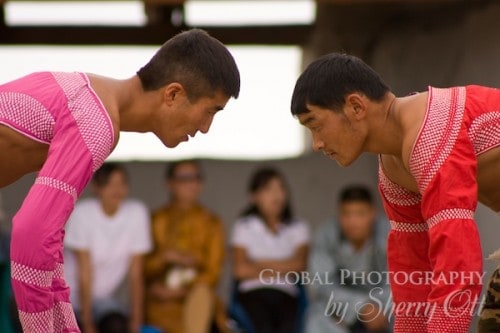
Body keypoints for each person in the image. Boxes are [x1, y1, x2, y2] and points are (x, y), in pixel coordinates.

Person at [0, 28, 240, 332]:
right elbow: (31, 234)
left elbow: (48, 243)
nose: (206, 127)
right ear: (173, 94)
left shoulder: (90, 101)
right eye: (210, 111)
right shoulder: (96, 120)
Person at [290, 53, 500, 332]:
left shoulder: (429, 130)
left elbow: (457, 269)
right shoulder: (392, 170)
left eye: (316, 125)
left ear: (355, 106)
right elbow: (413, 281)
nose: (316, 143)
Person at [64, 163, 152, 333]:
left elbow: (136, 274)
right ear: (96, 187)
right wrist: (88, 322)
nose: (116, 190)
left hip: (103, 300)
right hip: (67, 297)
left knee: (117, 325)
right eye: (109, 184)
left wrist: (136, 320)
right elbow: (85, 272)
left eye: (121, 183)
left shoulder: (136, 213)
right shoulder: (83, 213)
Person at [144, 160, 225, 333]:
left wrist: (182, 291)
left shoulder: (212, 223)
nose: (190, 184)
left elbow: (213, 273)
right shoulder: (156, 220)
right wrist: (164, 257)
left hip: (197, 300)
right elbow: (142, 267)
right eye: (183, 179)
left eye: (195, 178)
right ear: (169, 184)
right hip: (161, 302)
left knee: (201, 298)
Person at [231, 167, 310, 333]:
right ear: (253, 197)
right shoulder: (244, 226)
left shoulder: (298, 227)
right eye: (268, 189)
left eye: (280, 187)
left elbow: (299, 265)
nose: (276, 195)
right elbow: (240, 270)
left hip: (286, 293)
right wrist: (284, 266)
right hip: (252, 293)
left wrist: (258, 264)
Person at [306, 185, 390, 333]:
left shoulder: (390, 231)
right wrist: (361, 305)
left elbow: (401, 279)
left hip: (384, 306)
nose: (353, 221)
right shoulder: (326, 235)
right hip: (342, 307)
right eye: (346, 214)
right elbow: (322, 285)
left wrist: (376, 306)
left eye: (360, 214)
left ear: (373, 213)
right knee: (316, 318)